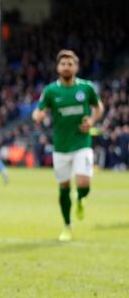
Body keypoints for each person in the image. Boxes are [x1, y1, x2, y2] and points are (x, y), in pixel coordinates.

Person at [32, 50, 103, 242]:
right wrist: (38, 116)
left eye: (70, 64)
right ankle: (67, 226)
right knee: (63, 187)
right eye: (63, 64)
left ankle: (81, 198)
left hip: (82, 143)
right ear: (57, 67)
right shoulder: (50, 91)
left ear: (76, 67)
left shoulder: (86, 88)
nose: (66, 67)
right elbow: (38, 111)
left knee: (83, 184)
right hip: (61, 147)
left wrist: (92, 120)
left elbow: (99, 107)